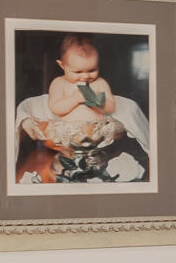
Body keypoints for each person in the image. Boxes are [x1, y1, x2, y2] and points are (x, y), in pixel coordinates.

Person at [16, 33, 152, 184]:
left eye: (92, 70)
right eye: (78, 72)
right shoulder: (59, 83)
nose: (85, 77)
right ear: (62, 66)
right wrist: (75, 98)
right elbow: (55, 108)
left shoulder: (100, 83)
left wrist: (99, 103)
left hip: (96, 132)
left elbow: (111, 105)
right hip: (68, 132)